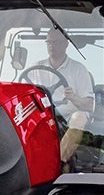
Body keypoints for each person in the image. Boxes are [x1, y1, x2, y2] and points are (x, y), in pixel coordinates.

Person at [35, 28, 94, 163]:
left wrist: (73, 97)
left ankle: (56, 163)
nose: (51, 46)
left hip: (69, 115)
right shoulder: (37, 67)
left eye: (55, 42)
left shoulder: (78, 69)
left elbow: (90, 105)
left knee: (79, 117)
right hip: (43, 114)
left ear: (65, 44)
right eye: (49, 42)